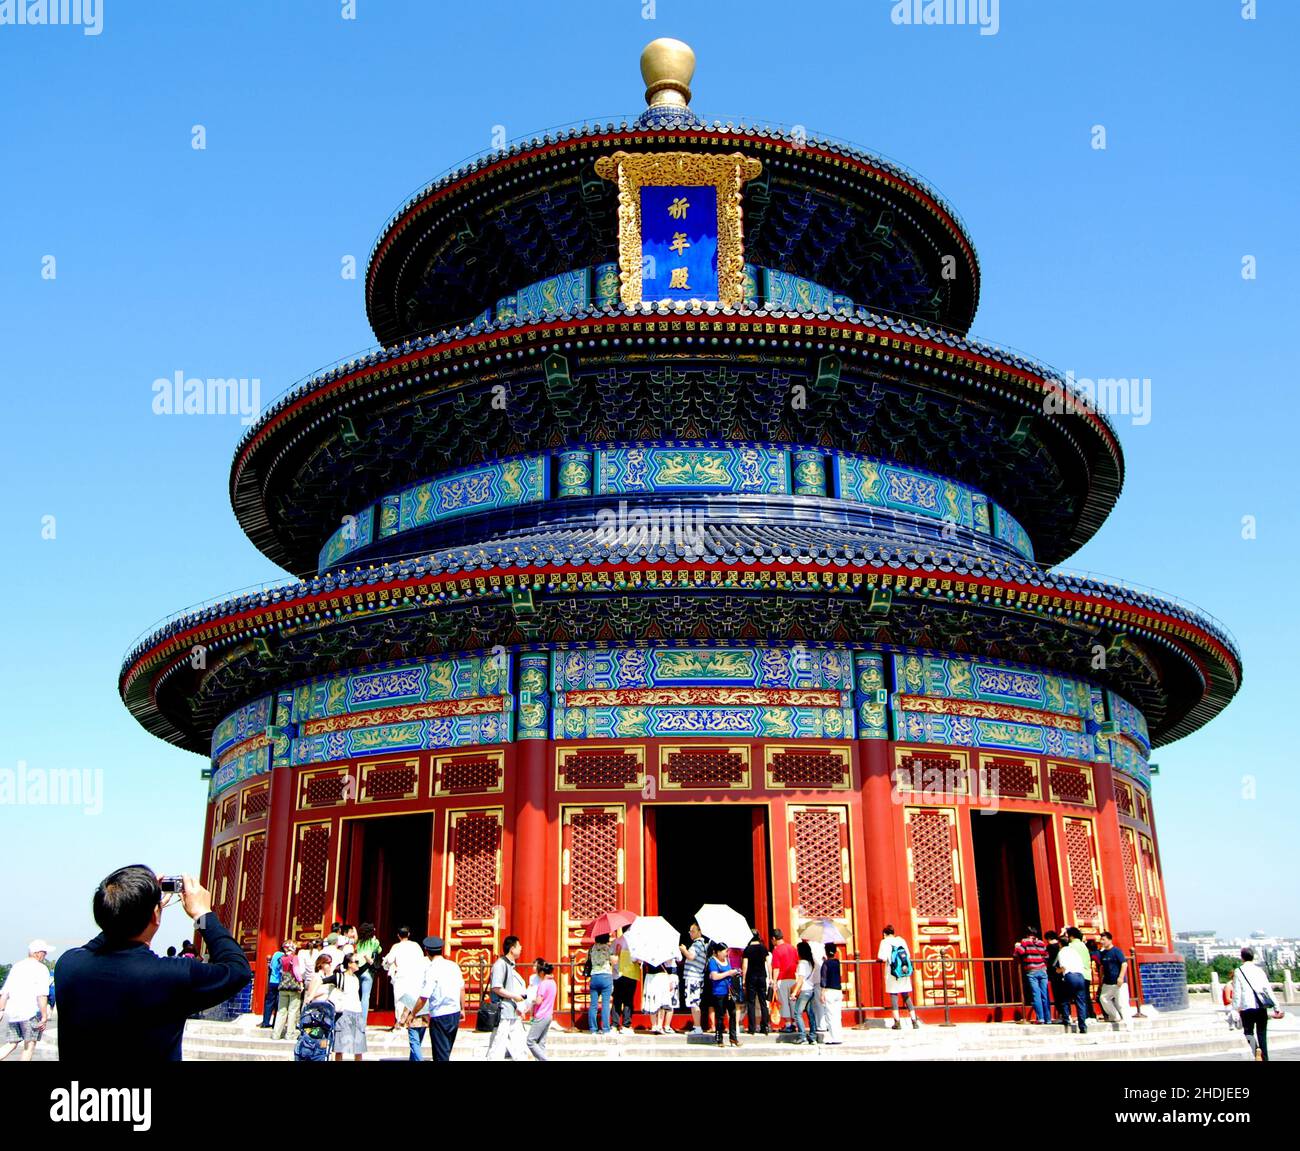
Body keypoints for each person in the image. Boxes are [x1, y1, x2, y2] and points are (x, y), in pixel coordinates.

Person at [54, 866, 251, 1061]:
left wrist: (135, 905)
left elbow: (109, 931)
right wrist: (202, 915)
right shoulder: (172, 976)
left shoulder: (68, 965)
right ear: (154, 916)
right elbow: (238, 968)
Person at [402, 936, 466, 1062]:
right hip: (454, 1013)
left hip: (440, 1015)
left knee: (440, 1055)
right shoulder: (454, 966)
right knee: (446, 1050)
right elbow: (462, 988)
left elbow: (424, 996)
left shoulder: (432, 969)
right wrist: (462, 1009)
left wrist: (413, 1013)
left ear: (427, 951)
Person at [0, 940, 52, 1062]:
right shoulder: (41, 968)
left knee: (12, 1043)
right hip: (31, 1013)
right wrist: (44, 1016)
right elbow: (42, 995)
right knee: (29, 1046)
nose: (45, 955)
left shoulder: (17, 966)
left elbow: (5, 992)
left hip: (13, 1013)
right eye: (44, 952)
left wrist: (1, 1010)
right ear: (37, 953)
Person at [1232, 946, 1284, 1061]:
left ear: (1242, 958)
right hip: (1261, 1007)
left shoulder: (1238, 971)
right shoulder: (1259, 970)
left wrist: (1235, 1009)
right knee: (1262, 1034)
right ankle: (1265, 1058)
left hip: (1247, 1008)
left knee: (1248, 1033)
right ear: (1253, 957)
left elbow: (1237, 993)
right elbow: (1268, 989)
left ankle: (1256, 1051)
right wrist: (1277, 1007)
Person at [384, 925, 428, 1054]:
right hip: (414, 975)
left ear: (398, 935)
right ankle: (410, 1019)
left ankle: (400, 1022)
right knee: (412, 998)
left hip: (401, 975)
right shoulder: (416, 946)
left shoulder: (396, 947)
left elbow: (390, 959)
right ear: (408, 934)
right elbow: (421, 959)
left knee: (400, 999)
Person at [487, 935, 529, 1060]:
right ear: (512, 949)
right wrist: (515, 996)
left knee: (519, 1045)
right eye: (519, 946)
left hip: (511, 1011)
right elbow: (496, 988)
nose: (521, 948)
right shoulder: (500, 964)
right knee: (497, 1045)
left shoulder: (510, 966)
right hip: (502, 1012)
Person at [878, 925, 918, 1030]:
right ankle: (914, 1021)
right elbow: (908, 955)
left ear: (884, 934)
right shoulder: (901, 940)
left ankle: (897, 1022)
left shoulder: (885, 942)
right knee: (906, 995)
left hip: (892, 972)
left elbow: (882, 957)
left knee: (894, 996)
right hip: (904, 971)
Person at [330, 952, 367, 1061]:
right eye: (356, 962)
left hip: (357, 1011)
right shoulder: (340, 977)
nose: (358, 964)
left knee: (359, 1047)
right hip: (344, 1012)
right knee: (340, 1047)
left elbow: (372, 965)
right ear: (349, 964)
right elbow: (321, 981)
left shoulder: (356, 977)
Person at [1054, 930, 1090, 1034]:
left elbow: (1063, 967)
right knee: (1081, 1002)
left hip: (1070, 976)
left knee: (1065, 999)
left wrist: (1058, 971)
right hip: (1080, 976)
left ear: (1060, 944)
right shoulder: (1074, 951)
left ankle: (1066, 1019)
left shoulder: (1062, 952)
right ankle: (1082, 1026)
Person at [706, 942, 741, 1048]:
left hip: (729, 991)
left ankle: (733, 1038)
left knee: (733, 1014)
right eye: (725, 951)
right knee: (720, 1016)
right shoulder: (713, 961)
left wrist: (735, 972)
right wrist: (728, 973)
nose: (727, 953)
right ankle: (719, 1038)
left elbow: (729, 972)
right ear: (718, 952)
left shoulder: (727, 960)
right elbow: (714, 976)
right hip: (719, 992)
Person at [1013, 925, 1050, 1024]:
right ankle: (1048, 1019)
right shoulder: (1041, 942)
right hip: (1042, 970)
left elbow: (1020, 952)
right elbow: (1046, 955)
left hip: (1032, 970)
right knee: (1045, 994)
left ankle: (1041, 1018)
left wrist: (1017, 946)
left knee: (1036, 994)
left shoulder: (1025, 941)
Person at [679, 923, 710, 1035]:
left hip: (693, 977)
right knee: (694, 1001)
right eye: (690, 931)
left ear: (699, 932)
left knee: (694, 1002)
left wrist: (684, 950)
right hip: (697, 976)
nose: (690, 933)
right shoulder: (703, 944)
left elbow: (691, 956)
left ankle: (697, 1026)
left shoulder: (697, 944)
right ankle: (696, 1026)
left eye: (692, 931)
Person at [273, 939, 304, 1041]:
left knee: (281, 1011)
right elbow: (296, 970)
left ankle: (276, 1034)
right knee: (292, 1011)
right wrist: (300, 982)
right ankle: (289, 1034)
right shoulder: (294, 958)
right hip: (293, 986)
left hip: (283, 986)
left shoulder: (281, 959)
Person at [741, 931, 771, 1036]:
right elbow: (768, 963)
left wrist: (744, 979)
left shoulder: (747, 949)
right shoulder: (763, 948)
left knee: (751, 1002)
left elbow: (745, 965)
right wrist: (770, 977)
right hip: (762, 976)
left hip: (751, 977)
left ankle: (752, 1028)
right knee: (763, 1002)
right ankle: (765, 1026)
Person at [586, 932, 616, 1035]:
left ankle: (593, 1029)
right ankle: (606, 1028)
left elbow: (588, 960)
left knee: (593, 1005)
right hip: (606, 976)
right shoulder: (608, 948)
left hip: (594, 976)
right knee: (605, 1004)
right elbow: (614, 961)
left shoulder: (591, 948)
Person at [527, 960, 557, 1060]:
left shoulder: (543, 984)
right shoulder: (553, 983)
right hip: (549, 1015)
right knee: (541, 1043)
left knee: (530, 1041)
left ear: (542, 973)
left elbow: (539, 1001)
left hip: (541, 1015)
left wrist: (532, 1001)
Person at [612, 929, 641, 1033]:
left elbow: (612, 956)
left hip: (617, 973)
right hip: (630, 974)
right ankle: (626, 1025)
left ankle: (614, 1025)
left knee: (617, 999)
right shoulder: (635, 942)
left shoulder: (616, 941)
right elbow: (636, 959)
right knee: (628, 1000)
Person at [1096, 931, 1127, 1025]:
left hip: (1118, 982)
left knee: (1122, 1004)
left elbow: (1124, 964)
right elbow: (1101, 966)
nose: (1102, 941)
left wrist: (1121, 977)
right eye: (1101, 939)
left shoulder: (1117, 951)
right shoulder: (1103, 953)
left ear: (1110, 940)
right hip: (1107, 982)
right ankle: (1115, 1016)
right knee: (1103, 998)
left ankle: (1128, 1025)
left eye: (1103, 939)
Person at [354, 923, 381, 1030]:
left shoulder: (359, 943)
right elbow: (379, 950)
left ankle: (355, 1020)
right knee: (366, 996)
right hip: (368, 971)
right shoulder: (374, 942)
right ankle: (363, 1022)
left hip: (358, 970)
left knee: (357, 995)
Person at [791, 940, 818, 1044]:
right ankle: (812, 1036)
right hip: (811, 990)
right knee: (810, 1013)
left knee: (797, 1013)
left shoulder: (802, 963)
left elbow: (800, 979)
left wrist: (794, 992)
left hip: (804, 990)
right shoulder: (811, 963)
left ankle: (802, 1036)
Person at [771, 928, 798, 1032]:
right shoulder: (792, 948)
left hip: (782, 979)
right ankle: (795, 1023)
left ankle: (787, 1025)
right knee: (793, 1002)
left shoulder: (777, 950)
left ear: (774, 938)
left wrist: (774, 982)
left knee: (783, 1003)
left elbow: (776, 968)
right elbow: (796, 963)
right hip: (793, 979)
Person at [820, 942, 844, 1044]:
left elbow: (824, 979)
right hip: (838, 991)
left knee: (830, 1015)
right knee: (837, 1015)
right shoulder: (837, 962)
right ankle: (838, 1036)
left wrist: (822, 992)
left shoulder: (825, 964)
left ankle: (834, 1037)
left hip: (829, 991)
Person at [642, 960, 673, 1034]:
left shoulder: (663, 954)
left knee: (661, 1001)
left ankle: (659, 1025)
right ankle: (654, 1025)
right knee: (652, 1000)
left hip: (661, 976)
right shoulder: (647, 954)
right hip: (651, 976)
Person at [259, 940, 284, 1028]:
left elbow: (271, 966)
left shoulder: (275, 954)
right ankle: (275, 1023)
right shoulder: (284, 956)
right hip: (280, 982)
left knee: (269, 1002)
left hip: (272, 981)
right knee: (278, 1003)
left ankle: (265, 1022)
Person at [1044, 930, 1066, 1023]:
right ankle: (1067, 1014)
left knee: (1057, 995)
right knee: (1064, 995)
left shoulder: (1049, 948)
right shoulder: (1062, 946)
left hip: (1054, 973)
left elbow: (1047, 959)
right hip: (1064, 972)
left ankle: (1062, 1015)